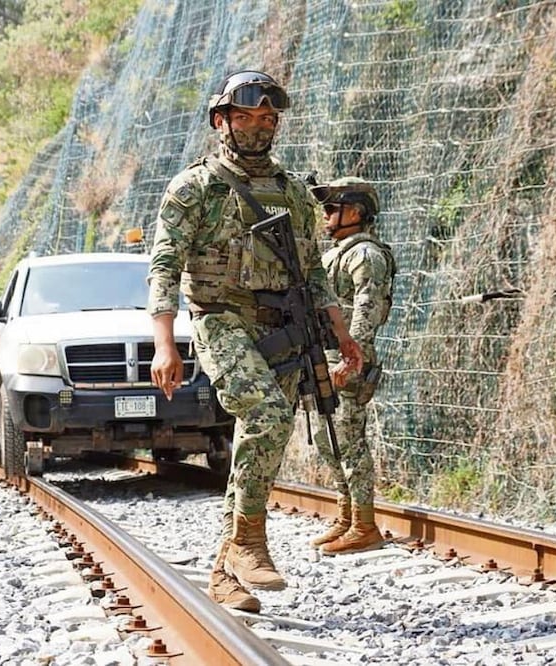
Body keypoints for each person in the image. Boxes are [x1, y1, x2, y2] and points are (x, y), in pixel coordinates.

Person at [146, 70, 363, 612]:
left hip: (283, 324)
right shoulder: (194, 187)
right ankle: (248, 541)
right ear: (222, 120)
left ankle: (226, 574)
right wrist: (164, 343)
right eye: (246, 117)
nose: (258, 127)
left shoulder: (291, 190)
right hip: (221, 318)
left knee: (261, 440)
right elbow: (164, 265)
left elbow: (312, 272)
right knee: (266, 415)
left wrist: (344, 336)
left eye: (268, 118)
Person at [308, 177, 396, 554]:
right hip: (326, 358)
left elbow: (367, 307)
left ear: (356, 212)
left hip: (346, 359)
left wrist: (351, 354)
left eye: (332, 208)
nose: (325, 216)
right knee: (328, 441)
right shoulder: (340, 252)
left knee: (349, 442)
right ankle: (345, 516)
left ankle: (364, 523)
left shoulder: (365, 255)